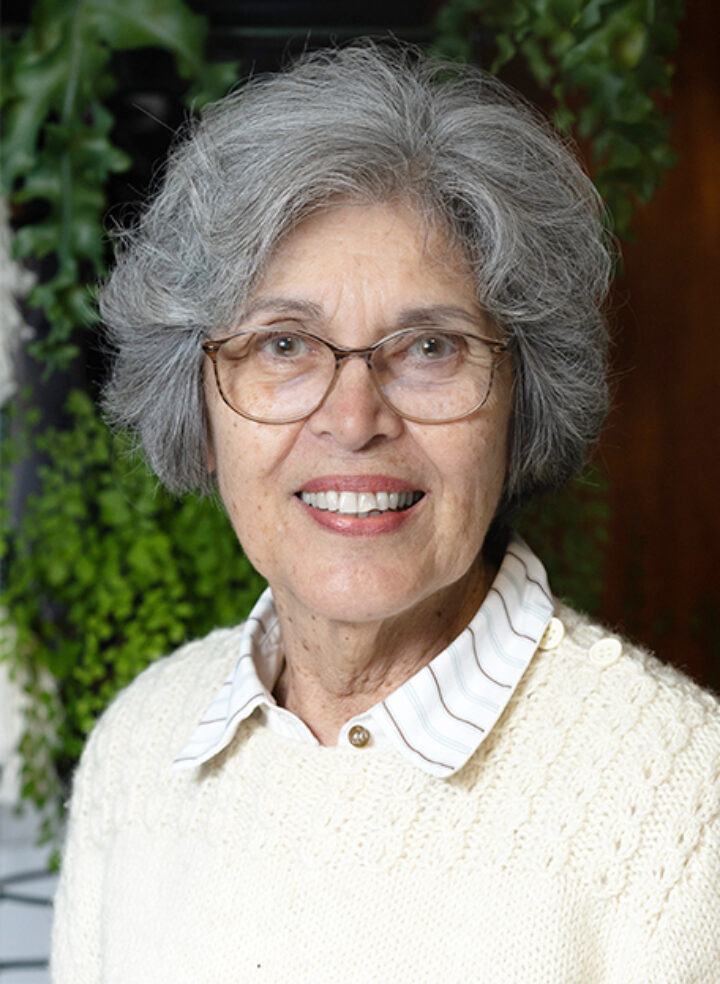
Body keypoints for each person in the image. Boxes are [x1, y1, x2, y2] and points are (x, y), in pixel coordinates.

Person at [51, 43, 719, 983]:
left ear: (520, 401)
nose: (354, 419)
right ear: (197, 408)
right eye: (283, 343)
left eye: (430, 348)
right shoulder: (139, 746)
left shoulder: (684, 807)